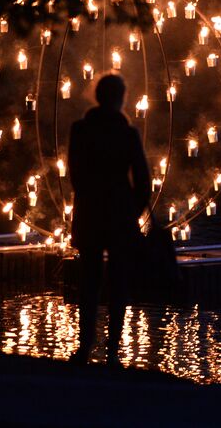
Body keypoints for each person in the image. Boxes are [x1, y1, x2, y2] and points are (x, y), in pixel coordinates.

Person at [68, 73, 151, 366]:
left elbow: (74, 174)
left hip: (91, 212)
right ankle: (113, 351)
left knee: (88, 281)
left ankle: (84, 347)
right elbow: (143, 180)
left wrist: (88, 197)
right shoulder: (127, 134)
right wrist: (133, 211)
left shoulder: (80, 130)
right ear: (120, 98)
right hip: (118, 214)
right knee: (118, 284)